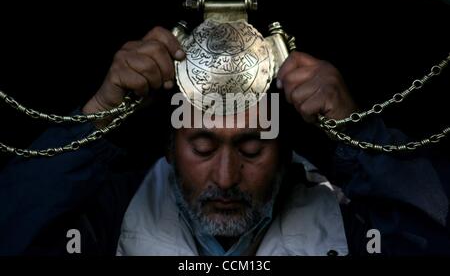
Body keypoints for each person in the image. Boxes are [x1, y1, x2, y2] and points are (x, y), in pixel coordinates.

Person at [0, 25, 449, 256]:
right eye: (202, 146)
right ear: (170, 146)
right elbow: (11, 228)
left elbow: (435, 233)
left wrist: (357, 134)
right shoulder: (114, 213)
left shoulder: (345, 218)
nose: (227, 177)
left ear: (285, 151)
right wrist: (96, 115)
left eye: (252, 147)